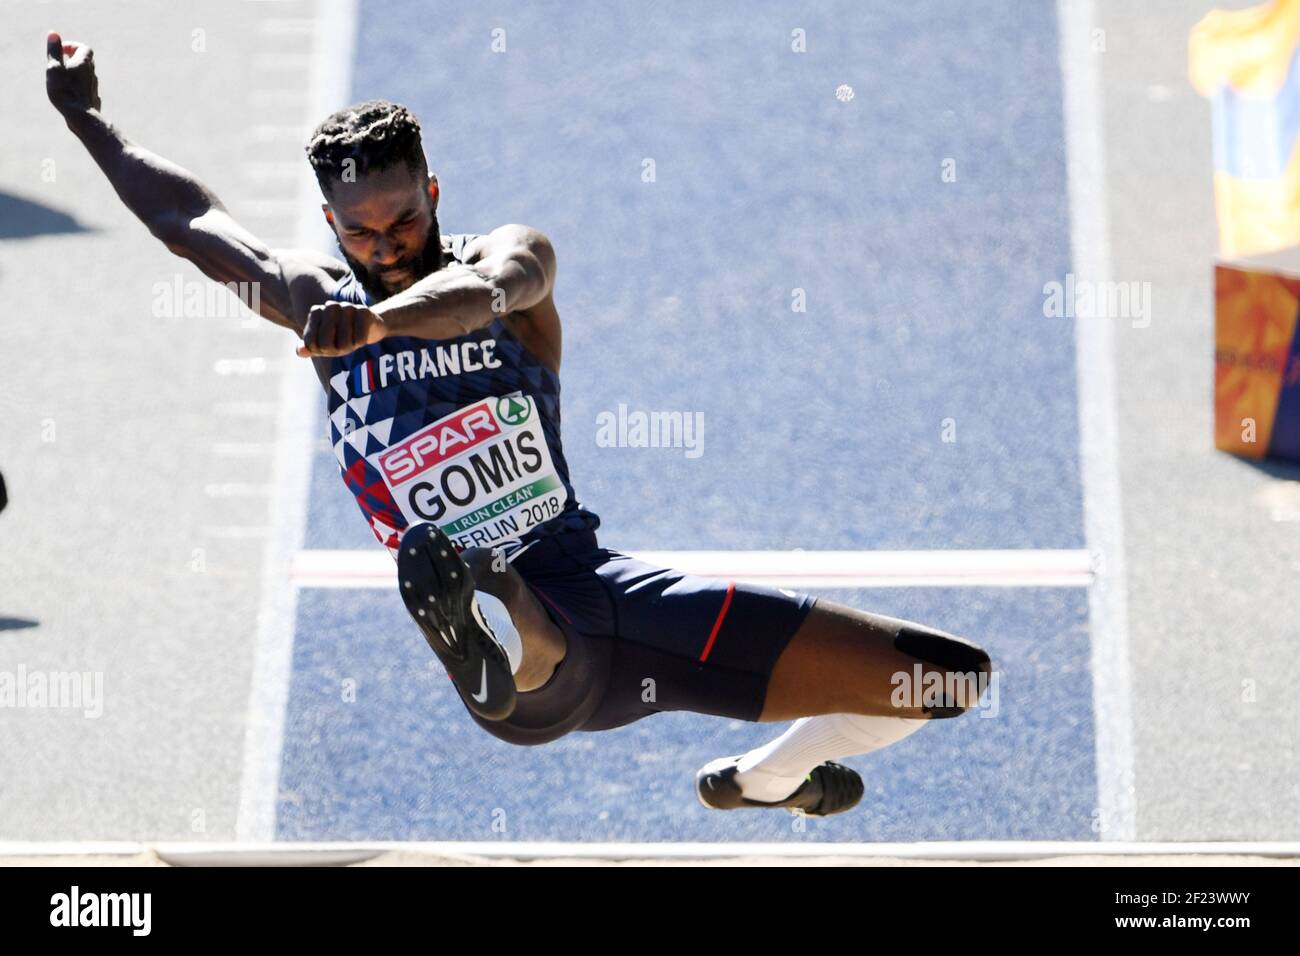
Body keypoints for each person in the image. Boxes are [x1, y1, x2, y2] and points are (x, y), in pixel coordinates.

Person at [47, 32, 994, 816]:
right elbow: (189, 218)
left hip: (619, 592)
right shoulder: (310, 302)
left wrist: (376, 321)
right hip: (531, 673)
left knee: (945, 681)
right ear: (331, 227)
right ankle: (487, 616)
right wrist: (88, 118)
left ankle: (766, 781)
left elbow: (482, 293)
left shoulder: (509, 265)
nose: (384, 246)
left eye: (403, 220)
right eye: (360, 233)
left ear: (435, 193)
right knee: (526, 624)